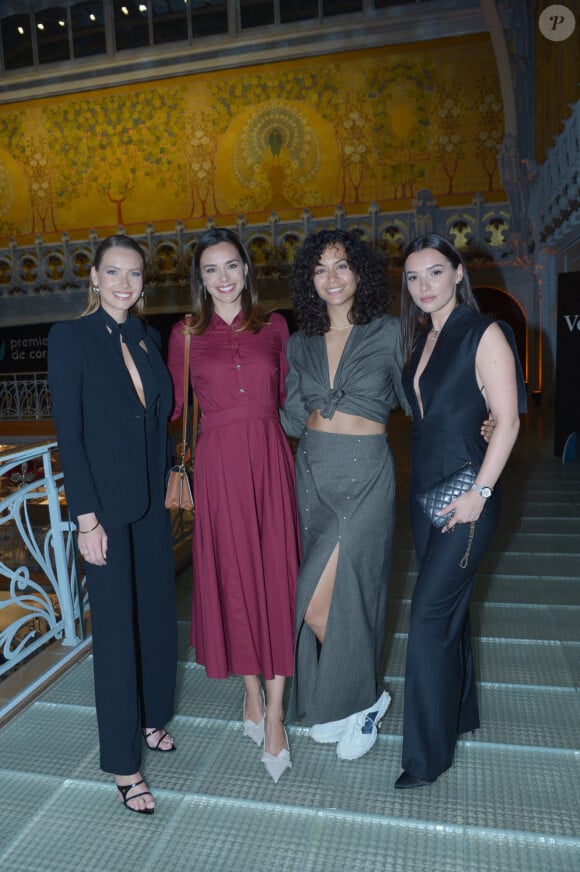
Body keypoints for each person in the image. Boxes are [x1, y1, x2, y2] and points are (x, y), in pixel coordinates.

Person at [48, 234, 178, 815]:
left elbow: (156, 424)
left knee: (154, 618)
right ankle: (124, 766)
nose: (125, 283)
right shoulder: (70, 338)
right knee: (116, 637)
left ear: (143, 283)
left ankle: (152, 719)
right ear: (94, 278)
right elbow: (70, 437)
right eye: (114, 272)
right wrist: (86, 520)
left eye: (134, 274)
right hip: (103, 511)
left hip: (150, 507)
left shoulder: (148, 339)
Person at [167, 227, 300, 783]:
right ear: (200, 280)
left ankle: (275, 715)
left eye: (230, 266)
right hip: (219, 466)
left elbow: (297, 400)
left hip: (271, 462)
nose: (222, 278)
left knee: (278, 580)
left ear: (247, 268)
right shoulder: (186, 335)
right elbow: (170, 407)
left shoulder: (276, 327)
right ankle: (251, 693)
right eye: (210, 270)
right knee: (235, 583)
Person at [394, 232, 527, 789]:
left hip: (470, 496)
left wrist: (482, 494)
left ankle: (426, 759)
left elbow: (509, 418)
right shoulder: (422, 338)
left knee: (426, 621)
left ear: (456, 274)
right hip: (426, 496)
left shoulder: (483, 331)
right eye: (413, 277)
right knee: (448, 611)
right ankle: (462, 712)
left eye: (434, 272)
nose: (424, 285)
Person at [280, 228, 410, 761]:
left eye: (341, 267)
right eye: (319, 269)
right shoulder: (299, 342)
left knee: (346, 591)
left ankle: (361, 700)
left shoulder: (391, 332)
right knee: (314, 604)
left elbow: (419, 397)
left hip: (367, 476)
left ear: (359, 273)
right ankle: (354, 700)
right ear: (309, 280)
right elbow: (289, 414)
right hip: (312, 472)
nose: (331, 278)